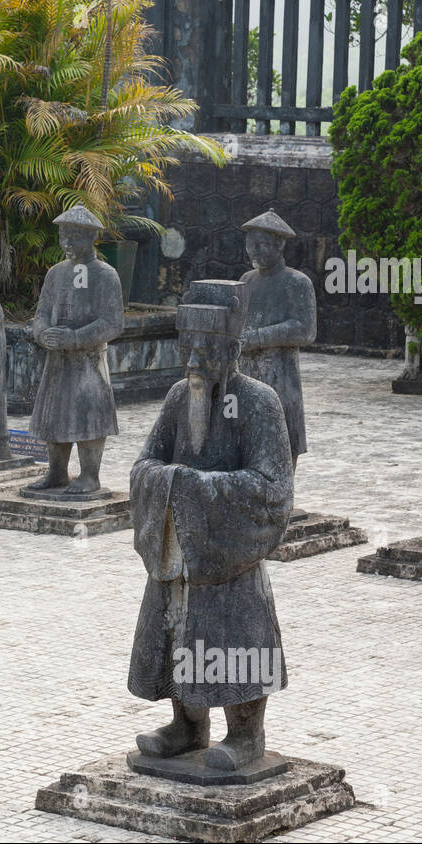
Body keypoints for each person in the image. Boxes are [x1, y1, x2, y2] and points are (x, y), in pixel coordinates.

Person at [128, 280, 293, 771]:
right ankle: (187, 724)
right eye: (189, 346)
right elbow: (143, 465)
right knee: (179, 631)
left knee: (236, 636)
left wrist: (193, 489)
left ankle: (246, 735)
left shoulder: (260, 402)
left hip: (229, 557)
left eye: (208, 347)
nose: (195, 358)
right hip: (180, 552)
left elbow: (273, 488)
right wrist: (168, 483)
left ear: (233, 349)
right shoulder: (180, 398)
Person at [25, 205, 124, 495]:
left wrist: (76, 338)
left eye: (74, 237)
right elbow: (41, 313)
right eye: (63, 236)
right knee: (54, 414)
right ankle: (56, 472)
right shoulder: (56, 274)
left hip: (89, 361)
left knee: (88, 415)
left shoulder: (106, 276)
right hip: (57, 362)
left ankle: (89, 476)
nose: (67, 243)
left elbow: (113, 323)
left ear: (90, 238)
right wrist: (44, 334)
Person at [237, 209, 316, 472]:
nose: (253, 251)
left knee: (281, 436)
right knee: (244, 434)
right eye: (250, 245)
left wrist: (259, 337)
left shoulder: (297, 282)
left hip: (280, 372)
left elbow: (305, 330)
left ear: (279, 245)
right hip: (246, 370)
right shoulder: (246, 281)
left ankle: (281, 497)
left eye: (260, 245)